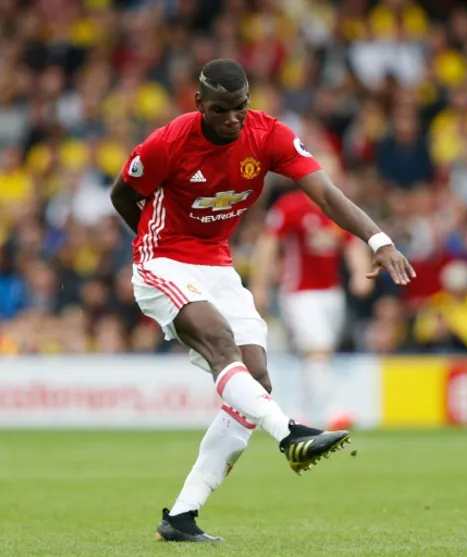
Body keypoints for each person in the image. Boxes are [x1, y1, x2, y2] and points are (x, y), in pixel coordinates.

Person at [109, 59, 415, 542]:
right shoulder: (169, 141)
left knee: (256, 377)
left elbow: (326, 194)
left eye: (241, 107)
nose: (233, 118)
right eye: (221, 110)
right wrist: (155, 244)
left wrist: (379, 241)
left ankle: (182, 515)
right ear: (199, 104)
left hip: (217, 265)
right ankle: (290, 434)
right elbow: (123, 195)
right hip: (163, 261)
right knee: (219, 341)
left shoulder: (268, 135)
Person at [250, 179, 373, 429]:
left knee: (315, 354)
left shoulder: (338, 207)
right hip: (298, 292)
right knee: (318, 348)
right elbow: (268, 244)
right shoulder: (290, 207)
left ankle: (298, 412)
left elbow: (352, 243)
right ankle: (333, 411)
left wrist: (361, 273)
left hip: (332, 293)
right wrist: (259, 286)